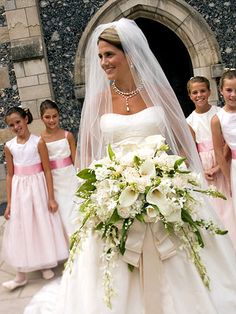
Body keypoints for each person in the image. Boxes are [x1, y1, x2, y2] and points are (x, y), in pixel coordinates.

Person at [24, 19, 236, 314]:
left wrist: (179, 178)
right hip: (115, 194)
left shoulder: (158, 93)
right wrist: (104, 188)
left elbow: (182, 139)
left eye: (109, 54)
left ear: (130, 54)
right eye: (100, 56)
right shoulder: (98, 101)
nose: (103, 62)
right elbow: (88, 158)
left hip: (165, 188)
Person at [2, 107, 68, 291]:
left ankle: (45, 263)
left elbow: (47, 170)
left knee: (40, 223)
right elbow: (9, 175)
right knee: (22, 226)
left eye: (18, 122)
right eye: (11, 125)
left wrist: (51, 198)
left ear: (25, 119)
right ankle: (21, 274)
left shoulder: (38, 142)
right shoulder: (9, 146)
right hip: (20, 190)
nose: (16, 127)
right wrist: (9, 203)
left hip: (38, 188)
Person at [186, 76, 236, 248]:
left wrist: (218, 167)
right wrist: (202, 169)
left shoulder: (219, 113)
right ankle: (221, 245)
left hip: (223, 161)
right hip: (205, 167)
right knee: (214, 207)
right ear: (190, 96)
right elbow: (192, 150)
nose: (199, 95)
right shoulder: (189, 121)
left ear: (210, 91)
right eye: (195, 92)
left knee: (228, 203)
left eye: (203, 91)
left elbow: (228, 142)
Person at [40, 99, 78, 235]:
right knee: (62, 213)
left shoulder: (68, 135)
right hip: (54, 181)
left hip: (70, 177)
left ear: (59, 115)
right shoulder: (40, 140)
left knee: (74, 209)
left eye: (54, 116)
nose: (51, 120)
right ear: (41, 118)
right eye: (47, 117)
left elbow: (76, 160)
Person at [211, 68, 236, 237]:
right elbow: (219, 153)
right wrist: (228, 180)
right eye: (229, 90)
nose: (233, 94)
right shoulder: (217, 119)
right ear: (221, 91)